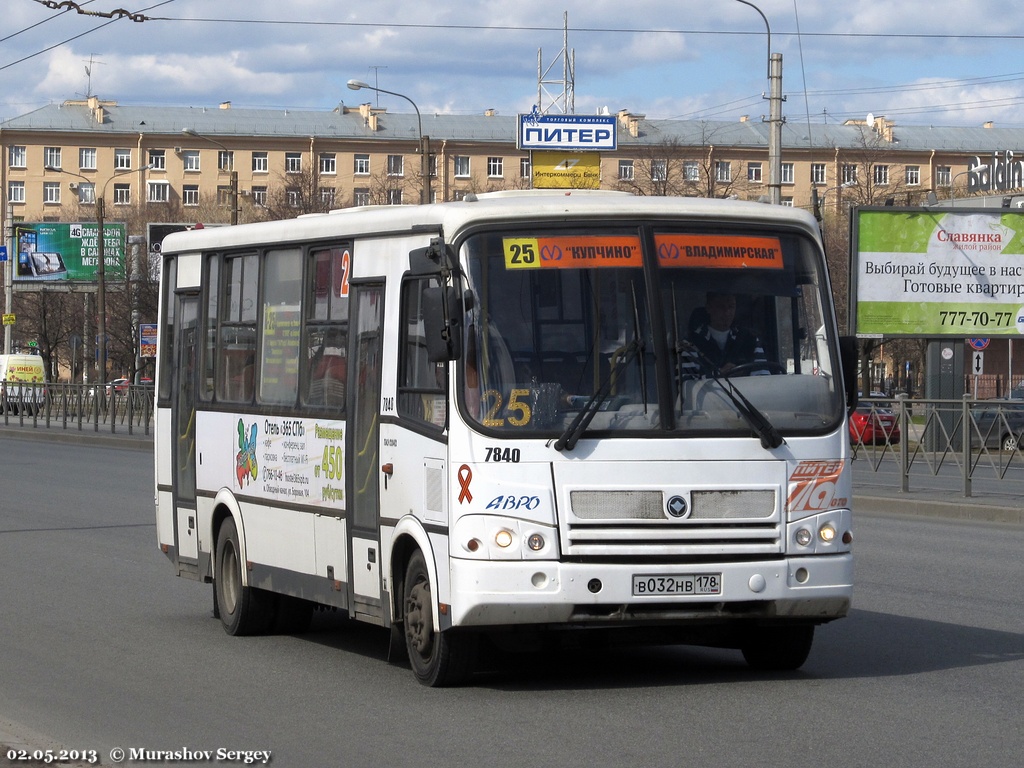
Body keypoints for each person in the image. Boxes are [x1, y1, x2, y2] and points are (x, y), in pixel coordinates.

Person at [686, 291, 768, 376]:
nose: (727, 312)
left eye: (731, 307)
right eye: (721, 307)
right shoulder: (690, 345)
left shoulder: (750, 340)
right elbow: (688, 386)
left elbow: (763, 380)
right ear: (708, 308)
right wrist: (718, 374)